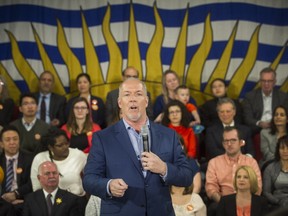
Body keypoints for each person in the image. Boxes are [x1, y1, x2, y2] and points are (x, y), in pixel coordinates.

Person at [83, 78, 193, 216]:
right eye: (127, 94)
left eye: (138, 94)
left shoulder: (168, 135)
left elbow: (187, 176)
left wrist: (164, 168)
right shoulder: (103, 138)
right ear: (119, 102)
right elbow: (89, 179)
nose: (133, 99)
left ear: (146, 101)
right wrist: (109, 186)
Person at [205, 126, 262, 216]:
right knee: (214, 208)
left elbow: (257, 188)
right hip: (223, 203)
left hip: (248, 203)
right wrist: (225, 203)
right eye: (226, 141)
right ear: (223, 144)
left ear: (240, 142)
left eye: (233, 140)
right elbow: (211, 188)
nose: (229, 144)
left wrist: (243, 202)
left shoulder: (251, 162)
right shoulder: (214, 162)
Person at [30, 127, 87, 198]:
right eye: (60, 145)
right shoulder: (40, 158)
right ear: (50, 147)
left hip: (77, 199)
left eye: (66, 143)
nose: (65, 147)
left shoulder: (78, 155)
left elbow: (90, 178)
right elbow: (37, 188)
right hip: (50, 202)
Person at [242, 67, 288, 135]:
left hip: (277, 127)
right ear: (260, 82)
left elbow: (285, 115)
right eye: (263, 81)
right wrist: (259, 123)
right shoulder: (250, 96)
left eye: (269, 81)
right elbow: (247, 118)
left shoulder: (283, 96)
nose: (266, 84)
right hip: (257, 128)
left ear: (274, 82)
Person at [0, 125, 33, 215]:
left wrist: (16, 194)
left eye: (15, 139)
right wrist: (5, 200)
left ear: (19, 141)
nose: (12, 142)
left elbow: (32, 183)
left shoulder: (30, 158)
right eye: (7, 140)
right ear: (1, 144)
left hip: (22, 201)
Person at [263, 135, 288, 210]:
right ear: (278, 150)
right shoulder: (270, 168)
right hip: (276, 204)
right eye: (282, 148)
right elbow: (266, 192)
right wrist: (278, 201)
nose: (285, 151)